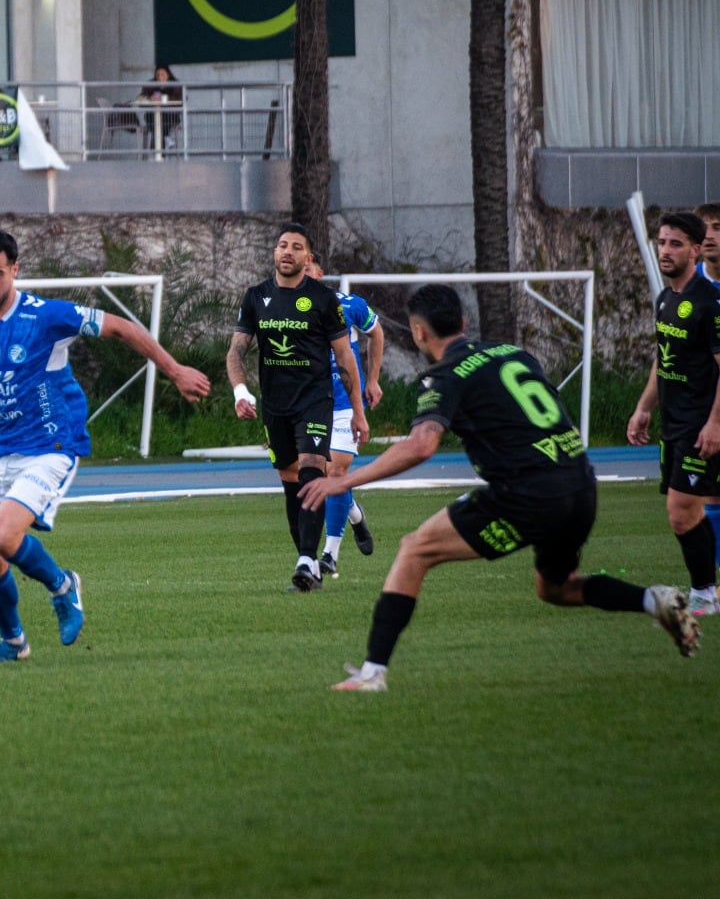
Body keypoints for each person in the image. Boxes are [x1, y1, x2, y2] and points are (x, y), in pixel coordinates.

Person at [301, 283, 700, 691]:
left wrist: (344, 481)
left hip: (527, 492)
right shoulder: (515, 354)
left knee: (414, 550)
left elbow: (421, 445)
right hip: (581, 483)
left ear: (419, 333)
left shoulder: (442, 376)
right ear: (463, 322)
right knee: (556, 588)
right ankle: (654, 600)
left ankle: (372, 673)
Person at [0, 229, 212, 664]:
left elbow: (120, 327)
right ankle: (13, 644)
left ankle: (63, 586)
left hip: (51, 444)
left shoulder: (45, 316)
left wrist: (174, 370)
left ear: (15, 269)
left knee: (3, 537)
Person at [227, 222, 367, 592]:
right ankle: (309, 564)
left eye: (296, 247)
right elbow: (236, 351)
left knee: (311, 472)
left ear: (308, 257)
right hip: (275, 406)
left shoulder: (323, 299)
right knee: (291, 484)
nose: (287, 251)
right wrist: (241, 392)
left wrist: (358, 410)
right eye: (282, 245)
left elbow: (344, 358)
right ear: (274, 253)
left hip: (314, 401)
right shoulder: (256, 297)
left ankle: (307, 560)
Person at [626, 212, 720, 616]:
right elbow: (663, 359)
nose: (665, 251)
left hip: (701, 424)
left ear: (695, 250)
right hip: (675, 422)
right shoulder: (666, 299)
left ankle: (704, 594)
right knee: (688, 510)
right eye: (662, 243)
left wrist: (716, 423)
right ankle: (707, 591)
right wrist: (644, 407)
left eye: (675, 244)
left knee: (682, 511)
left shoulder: (709, 303)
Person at [303, 256, 383, 576]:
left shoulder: (349, 305)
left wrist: (373, 379)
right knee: (322, 475)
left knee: (335, 472)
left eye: (307, 266)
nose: (301, 272)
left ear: (320, 273)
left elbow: (376, 333)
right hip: (309, 404)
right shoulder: (285, 311)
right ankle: (355, 516)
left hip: (345, 404)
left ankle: (330, 555)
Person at [692, 201, 720, 561]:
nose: (711, 235)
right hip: (700, 405)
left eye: (718, 227)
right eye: (705, 228)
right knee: (711, 494)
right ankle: (712, 582)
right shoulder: (690, 283)